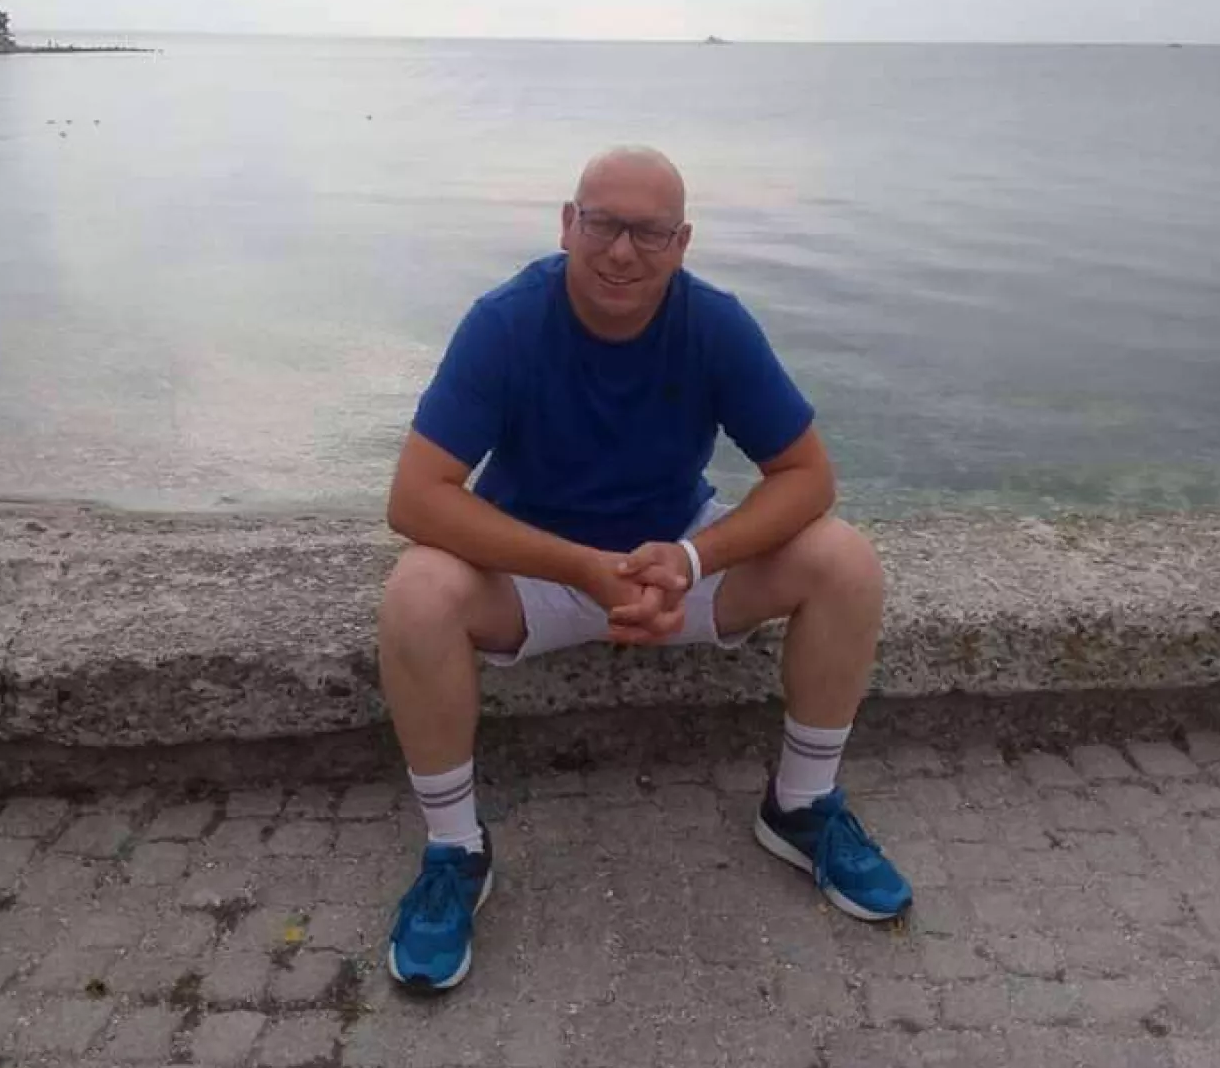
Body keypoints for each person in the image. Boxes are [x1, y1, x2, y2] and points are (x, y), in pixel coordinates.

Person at [378, 146, 911, 991]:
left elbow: (809, 476)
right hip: (537, 570)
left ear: (682, 241)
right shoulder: (506, 322)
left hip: (673, 562)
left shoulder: (714, 324)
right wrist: (580, 566)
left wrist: (695, 557)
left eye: (650, 231)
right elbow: (415, 498)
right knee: (417, 591)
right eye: (602, 224)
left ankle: (802, 804)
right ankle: (454, 851)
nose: (622, 251)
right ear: (567, 224)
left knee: (844, 559)